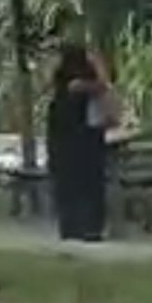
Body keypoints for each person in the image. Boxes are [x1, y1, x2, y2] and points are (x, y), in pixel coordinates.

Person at [46, 43, 121, 242]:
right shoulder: (71, 81)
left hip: (82, 134)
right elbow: (101, 84)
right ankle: (76, 226)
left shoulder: (80, 82)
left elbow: (104, 89)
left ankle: (86, 226)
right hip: (71, 135)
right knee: (77, 181)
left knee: (87, 181)